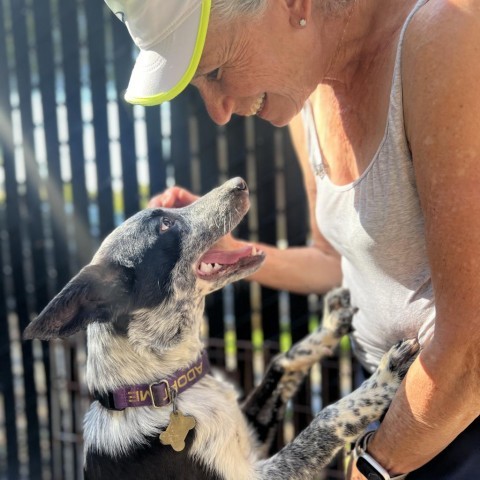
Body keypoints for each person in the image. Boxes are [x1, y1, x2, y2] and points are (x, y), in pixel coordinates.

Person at [104, 0, 480, 478]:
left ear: (293, 5)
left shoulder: (444, 34)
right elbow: (333, 262)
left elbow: (471, 349)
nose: (218, 112)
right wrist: (234, 254)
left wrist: (375, 465)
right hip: (393, 408)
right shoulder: (307, 88)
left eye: (216, 70)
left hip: (455, 419)